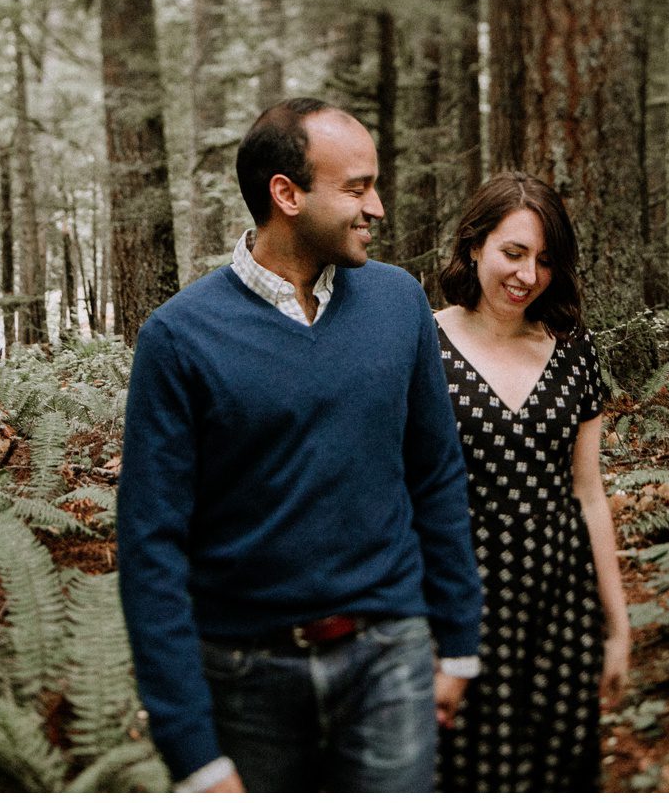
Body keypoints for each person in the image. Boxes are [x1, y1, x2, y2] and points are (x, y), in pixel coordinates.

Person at [117, 98, 484, 792]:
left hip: (389, 656)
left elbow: (435, 474)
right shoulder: (179, 338)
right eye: (357, 188)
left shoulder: (399, 303)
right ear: (286, 194)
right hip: (246, 677)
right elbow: (150, 547)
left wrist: (459, 643)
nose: (377, 208)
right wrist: (192, 750)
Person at [432, 171, 630, 791]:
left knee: (558, 773)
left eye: (544, 260)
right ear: (474, 246)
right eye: (513, 252)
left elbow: (588, 493)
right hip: (462, 603)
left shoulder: (573, 349)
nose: (527, 275)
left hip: (561, 605)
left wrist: (618, 626)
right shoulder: (423, 343)